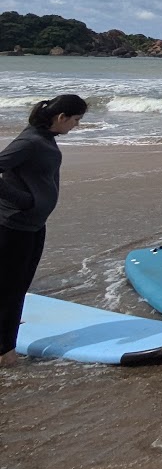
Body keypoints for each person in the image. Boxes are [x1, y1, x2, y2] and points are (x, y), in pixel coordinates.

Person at [0, 94, 88, 365]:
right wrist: (22, 200)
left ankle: (7, 333)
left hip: (33, 225)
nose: (76, 125)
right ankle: (5, 353)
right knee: (9, 289)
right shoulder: (31, 141)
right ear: (61, 118)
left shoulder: (45, 139)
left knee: (18, 287)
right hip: (14, 225)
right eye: (75, 120)